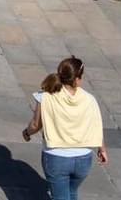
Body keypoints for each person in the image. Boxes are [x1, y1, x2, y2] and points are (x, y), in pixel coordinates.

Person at [22, 56, 108, 200]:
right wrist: (102, 149)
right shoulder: (89, 99)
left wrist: (26, 133)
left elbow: (36, 125)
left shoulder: (46, 96)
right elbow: (96, 126)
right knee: (72, 192)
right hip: (83, 158)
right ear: (77, 79)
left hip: (56, 158)